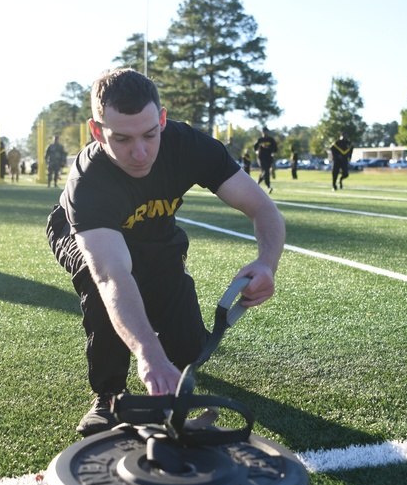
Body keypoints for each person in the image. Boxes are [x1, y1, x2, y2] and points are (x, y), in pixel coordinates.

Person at [46, 68, 285, 436]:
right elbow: (112, 274)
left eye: (150, 134)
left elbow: (264, 209)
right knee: (100, 283)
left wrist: (267, 263)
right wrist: (148, 355)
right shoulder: (88, 181)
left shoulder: (189, 145)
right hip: (84, 233)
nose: (140, 152)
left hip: (155, 231)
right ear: (97, 131)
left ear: (162, 119)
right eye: (122, 138)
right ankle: (109, 394)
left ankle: (167, 348)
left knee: (189, 350)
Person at [253, 127, 278, 193]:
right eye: (264, 132)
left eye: (266, 132)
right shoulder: (260, 140)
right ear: (262, 133)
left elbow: (275, 148)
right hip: (261, 158)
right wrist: (256, 151)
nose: (265, 133)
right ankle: (268, 186)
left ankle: (257, 182)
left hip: (268, 158)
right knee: (266, 171)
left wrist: (273, 152)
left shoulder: (271, 140)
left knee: (265, 172)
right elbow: (254, 147)